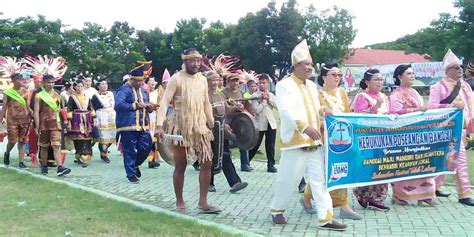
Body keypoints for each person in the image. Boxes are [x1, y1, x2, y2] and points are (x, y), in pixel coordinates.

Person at [269, 40, 346, 231]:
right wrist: (303, 127)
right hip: (296, 141)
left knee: (319, 179)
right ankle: (277, 210)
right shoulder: (284, 85)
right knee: (289, 179)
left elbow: (312, 107)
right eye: (306, 64)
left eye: (311, 65)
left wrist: (323, 110)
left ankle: (325, 217)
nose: (310, 68)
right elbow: (285, 110)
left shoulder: (312, 86)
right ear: (296, 66)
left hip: (315, 139)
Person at [156, 48, 220, 214]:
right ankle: (179, 201)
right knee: (181, 165)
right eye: (193, 60)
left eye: (198, 61)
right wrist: (158, 125)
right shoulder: (176, 79)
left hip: (200, 127)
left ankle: (203, 202)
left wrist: (212, 122)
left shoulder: (202, 80)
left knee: (207, 162)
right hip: (180, 126)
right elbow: (164, 103)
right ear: (185, 61)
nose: (196, 64)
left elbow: (206, 102)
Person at [300, 63, 363, 220]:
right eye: (333, 75)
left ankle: (344, 206)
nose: (337, 78)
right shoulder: (317, 95)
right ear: (324, 78)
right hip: (324, 138)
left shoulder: (342, 92)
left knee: (341, 169)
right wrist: (327, 125)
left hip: (343, 139)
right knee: (324, 173)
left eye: (339, 75)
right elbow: (313, 117)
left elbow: (347, 114)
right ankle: (307, 197)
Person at [429, 49, 474, 206]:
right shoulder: (438, 86)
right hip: (446, 130)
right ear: (447, 70)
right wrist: (452, 105)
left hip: (462, 128)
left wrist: (471, 128)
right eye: (456, 67)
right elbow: (432, 107)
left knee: (445, 159)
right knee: (459, 161)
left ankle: (436, 187)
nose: (460, 69)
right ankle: (464, 194)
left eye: (460, 67)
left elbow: (471, 107)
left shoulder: (466, 86)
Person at [388, 64, 437, 206]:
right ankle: (401, 196)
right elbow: (394, 113)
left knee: (422, 163)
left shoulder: (415, 92)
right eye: (408, 73)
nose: (412, 76)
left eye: (413, 73)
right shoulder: (395, 95)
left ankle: (426, 195)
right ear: (399, 77)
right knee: (405, 165)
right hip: (404, 137)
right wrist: (417, 109)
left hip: (420, 135)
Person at [352, 69, 391, 211]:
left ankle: (378, 197)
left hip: (383, 139)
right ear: (367, 82)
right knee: (369, 167)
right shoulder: (362, 97)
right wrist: (375, 106)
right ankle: (364, 195)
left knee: (382, 167)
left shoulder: (384, 97)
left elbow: (389, 114)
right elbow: (358, 117)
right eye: (376, 79)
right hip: (368, 139)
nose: (379, 82)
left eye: (381, 79)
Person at [205, 71, 248, 193]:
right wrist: (218, 124)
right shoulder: (205, 96)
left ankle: (234, 182)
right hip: (210, 130)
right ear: (207, 82)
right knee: (210, 156)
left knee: (225, 154)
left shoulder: (221, 95)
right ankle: (208, 183)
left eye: (217, 80)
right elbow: (205, 114)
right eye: (213, 80)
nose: (215, 82)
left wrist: (235, 108)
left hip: (221, 130)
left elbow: (225, 111)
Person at [115, 62, 156, 183]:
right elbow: (118, 105)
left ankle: (135, 165)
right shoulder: (124, 90)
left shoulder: (143, 91)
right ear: (131, 79)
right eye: (138, 81)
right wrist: (135, 105)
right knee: (129, 151)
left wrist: (149, 108)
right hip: (127, 126)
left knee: (146, 146)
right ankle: (131, 175)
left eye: (141, 81)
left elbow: (145, 105)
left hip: (143, 125)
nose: (140, 84)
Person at [34, 74, 71, 176]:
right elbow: (36, 112)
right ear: (43, 84)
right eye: (49, 82)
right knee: (44, 146)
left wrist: (65, 121)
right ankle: (44, 165)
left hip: (56, 123)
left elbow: (61, 110)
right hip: (44, 124)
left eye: (53, 82)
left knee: (56, 145)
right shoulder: (39, 95)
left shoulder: (58, 95)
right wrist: (37, 126)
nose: (51, 84)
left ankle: (60, 167)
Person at [248, 74, 278, 173]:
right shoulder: (255, 96)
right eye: (260, 83)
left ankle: (271, 165)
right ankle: (246, 161)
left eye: (264, 83)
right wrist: (263, 101)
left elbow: (277, 106)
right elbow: (256, 110)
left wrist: (268, 99)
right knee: (256, 144)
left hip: (271, 123)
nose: (261, 85)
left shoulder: (272, 95)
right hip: (259, 123)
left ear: (267, 84)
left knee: (270, 145)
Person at [1, 73, 31, 168]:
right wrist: (1, 119)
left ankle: (21, 162)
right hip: (12, 120)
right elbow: (4, 107)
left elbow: (28, 105)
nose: (20, 81)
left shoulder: (26, 92)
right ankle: (7, 153)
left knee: (22, 141)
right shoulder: (8, 92)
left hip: (25, 119)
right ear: (13, 81)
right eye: (18, 79)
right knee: (12, 141)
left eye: (21, 79)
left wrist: (31, 113)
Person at [222, 74, 252, 172]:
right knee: (226, 143)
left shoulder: (240, 93)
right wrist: (234, 107)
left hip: (239, 121)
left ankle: (245, 164)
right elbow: (224, 107)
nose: (235, 83)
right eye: (233, 81)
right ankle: (227, 165)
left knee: (243, 140)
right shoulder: (223, 93)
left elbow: (245, 106)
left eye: (236, 81)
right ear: (228, 82)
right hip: (228, 120)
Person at [67, 78, 95, 167]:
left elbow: (91, 108)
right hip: (76, 119)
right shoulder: (72, 97)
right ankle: (79, 156)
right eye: (78, 86)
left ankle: (84, 156)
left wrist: (94, 119)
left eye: (81, 86)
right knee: (78, 139)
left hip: (87, 119)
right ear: (74, 87)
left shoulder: (86, 96)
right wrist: (69, 121)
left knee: (87, 138)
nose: (79, 88)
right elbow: (69, 109)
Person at [91, 78, 116, 163]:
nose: (104, 86)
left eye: (105, 84)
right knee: (103, 136)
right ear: (98, 86)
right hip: (101, 116)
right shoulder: (95, 96)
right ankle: (103, 154)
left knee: (112, 136)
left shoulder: (111, 94)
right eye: (102, 84)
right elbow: (94, 108)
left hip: (111, 116)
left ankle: (106, 149)